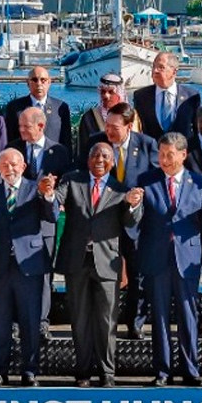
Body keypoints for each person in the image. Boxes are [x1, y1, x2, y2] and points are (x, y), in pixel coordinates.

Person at [129, 132, 202, 386]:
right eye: (161, 154)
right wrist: (132, 206)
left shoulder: (199, 182)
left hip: (186, 258)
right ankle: (163, 371)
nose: (164, 160)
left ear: (183, 155)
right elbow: (135, 221)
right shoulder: (146, 181)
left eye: (170, 155)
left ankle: (191, 369)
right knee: (160, 316)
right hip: (156, 258)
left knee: (189, 316)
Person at [53, 143, 141, 387]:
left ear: (112, 162)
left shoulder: (120, 189)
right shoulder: (73, 181)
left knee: (106, 321)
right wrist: (49, 194)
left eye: (105, 156)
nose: (99, 159)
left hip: (107, 262)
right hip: (76, 261)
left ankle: (107, 373)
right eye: (95, 154)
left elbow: (130, 223)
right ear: (88, 159)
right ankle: (82, 372)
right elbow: (53, 204)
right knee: (80, 319)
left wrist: (133, 204)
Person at [0, 149, 57, 386]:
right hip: (1, 267)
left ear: (24, 165)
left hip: (29, 265)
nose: (10, 169)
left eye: (14, 164)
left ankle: (30, 371)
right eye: (5, 165)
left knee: (31, 321)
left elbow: (51, 216)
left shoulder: (35, 188)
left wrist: (48, 195)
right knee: (0, 322)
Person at [88, 102, 156, 338]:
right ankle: (106, 321)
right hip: (104, 221)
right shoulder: (96, 142)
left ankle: (135, 322)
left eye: (114, 127)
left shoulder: (146, 145)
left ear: (129, 126)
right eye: (107, 125)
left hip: (135, 220)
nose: (109, 131)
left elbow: (155, 181)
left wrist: (138, 199)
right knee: (106, 274)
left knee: (137, 275)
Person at [13, 106, 70, 339]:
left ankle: (42, 321)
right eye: (20, 126)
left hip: (46, 220)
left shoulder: (59, 151)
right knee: (18, 272)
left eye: (26, 127)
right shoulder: (13, 148)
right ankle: (17, 321)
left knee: (44, 275)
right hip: (20, 221)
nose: (22, 131)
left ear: (41, 126)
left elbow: (66, 181)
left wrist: (52, 195)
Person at [134, 51, 201, 140]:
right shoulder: (141, 96)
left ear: (174, 72)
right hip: (152, 152)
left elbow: (198, 131)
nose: (155, 70)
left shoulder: (191, 96)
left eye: (161, 67)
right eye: (154, 66)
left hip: (182, 151)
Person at [5, 66, 71, 150]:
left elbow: (66, 140)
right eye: (34, 80)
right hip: (23, 159)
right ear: (28, 83)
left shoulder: (61, 108)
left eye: (43, 80)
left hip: (53, 159)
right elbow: (9, 138)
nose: (39, 84)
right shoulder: (15, 108)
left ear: (49, 82)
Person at [75, 73, 134, 157]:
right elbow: (82, 151)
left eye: (111, 92)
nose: (106, 96)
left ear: (120, 94)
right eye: (103, 92)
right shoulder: (90, 117)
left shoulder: (134, 117)